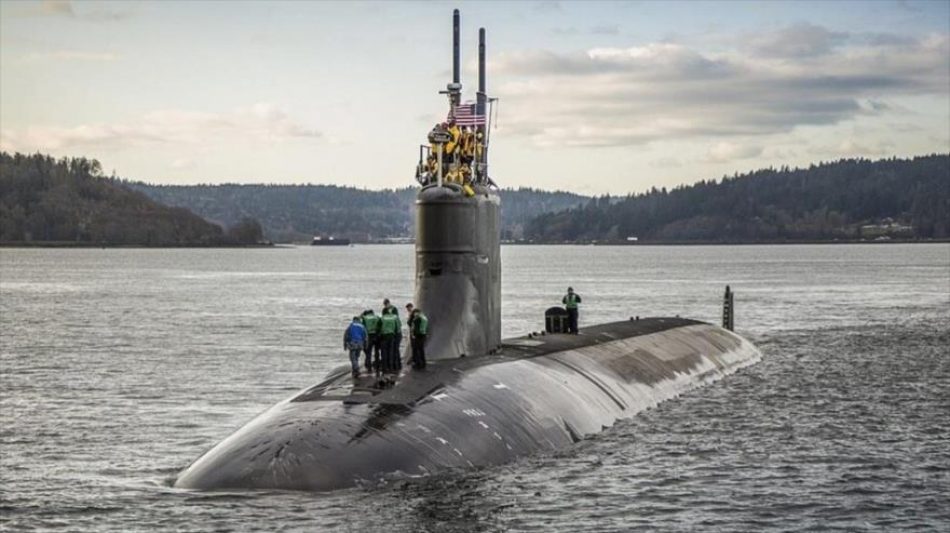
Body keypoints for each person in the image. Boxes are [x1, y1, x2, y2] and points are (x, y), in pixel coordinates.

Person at [378, 307, 401, 373]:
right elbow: (397, 328)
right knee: (391, 352)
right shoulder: (394, 317)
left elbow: (378, 328)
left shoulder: (382, 318)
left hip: (384, 337)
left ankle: (385, 368)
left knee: (384, 353)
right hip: (392, 337)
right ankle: (391, 367)